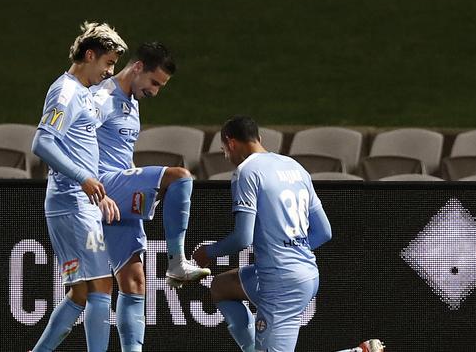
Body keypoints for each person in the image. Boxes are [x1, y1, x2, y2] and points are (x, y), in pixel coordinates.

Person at [91, 42, 210, 351]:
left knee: (134, 283)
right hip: (102, 187)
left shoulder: (132, 103)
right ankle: (176, 261)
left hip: (117, 190)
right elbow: (73, 142)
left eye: (162, 86)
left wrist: (142, 189)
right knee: (180, 177)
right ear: (138, 67)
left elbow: (121, 156)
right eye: (155, 82)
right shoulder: (101, 97)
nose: (156, 91)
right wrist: (89, 187)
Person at [192, 116, 333, 352]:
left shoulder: (246, 172)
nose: (226, 157)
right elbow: (324, 232)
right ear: (259, 138)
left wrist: (207, 252)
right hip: (304, 274)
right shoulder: (295, 167)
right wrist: (292, 250)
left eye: (223, 151)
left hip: (281, 284)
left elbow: (242, 238)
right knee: (221, 287)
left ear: (231, 142)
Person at [29, 21, 125, 352]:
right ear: (89, 55)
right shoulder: (65, 91)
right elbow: (42, 143)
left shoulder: (82, 93)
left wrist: (97, 192)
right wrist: (83, 179)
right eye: (108, 63)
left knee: (82, 292)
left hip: (76, 203)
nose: (109, 71)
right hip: (71, 203)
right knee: (101, 288)